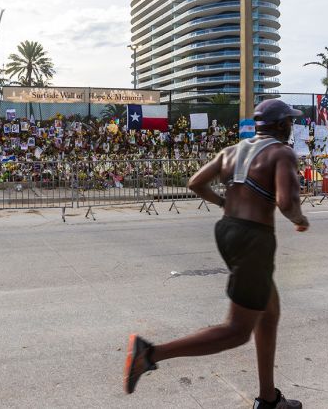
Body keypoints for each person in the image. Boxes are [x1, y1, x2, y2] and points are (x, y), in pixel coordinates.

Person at [123, 98, 309, 409]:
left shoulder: (233, 151)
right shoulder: (282, 152)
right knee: (237, 331)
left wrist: (224, 203)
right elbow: (286, 202)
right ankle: (150, 354)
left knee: (269, 311)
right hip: (253, 239)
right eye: (289, 122)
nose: (292, 127)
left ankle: (269, 399)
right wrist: (300, 219)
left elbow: (195, 182)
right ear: (280, 126)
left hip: (227, 230)